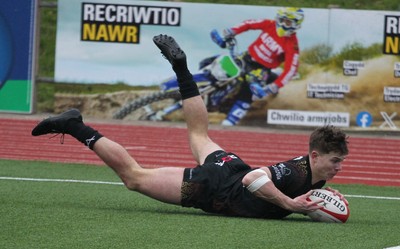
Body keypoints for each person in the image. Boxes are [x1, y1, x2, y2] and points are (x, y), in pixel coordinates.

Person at [31, 34, 349, 219]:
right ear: (315, 155)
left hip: (229, 167)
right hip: (213, 185)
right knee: (134, 178)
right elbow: (255, 178)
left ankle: (183, 71)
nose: (338, 167)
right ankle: (74, 125)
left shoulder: (314, 176)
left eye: (341, 161)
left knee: (199, 134)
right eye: (335, 160)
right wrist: (290, 204)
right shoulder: (295, 173)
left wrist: (315, 199)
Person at [220, 7, 304, 126]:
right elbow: (249, 23)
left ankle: (230, 121)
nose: (282, 24)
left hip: (261, 69)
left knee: (248, 91)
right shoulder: (270, 24)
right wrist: (233, 30)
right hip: (246, 57)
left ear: (295, 25)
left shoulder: (292, 45)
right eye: (281, 19)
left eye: (287, 22)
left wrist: (275, 86)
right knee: (220, 64)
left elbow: (291, 70)